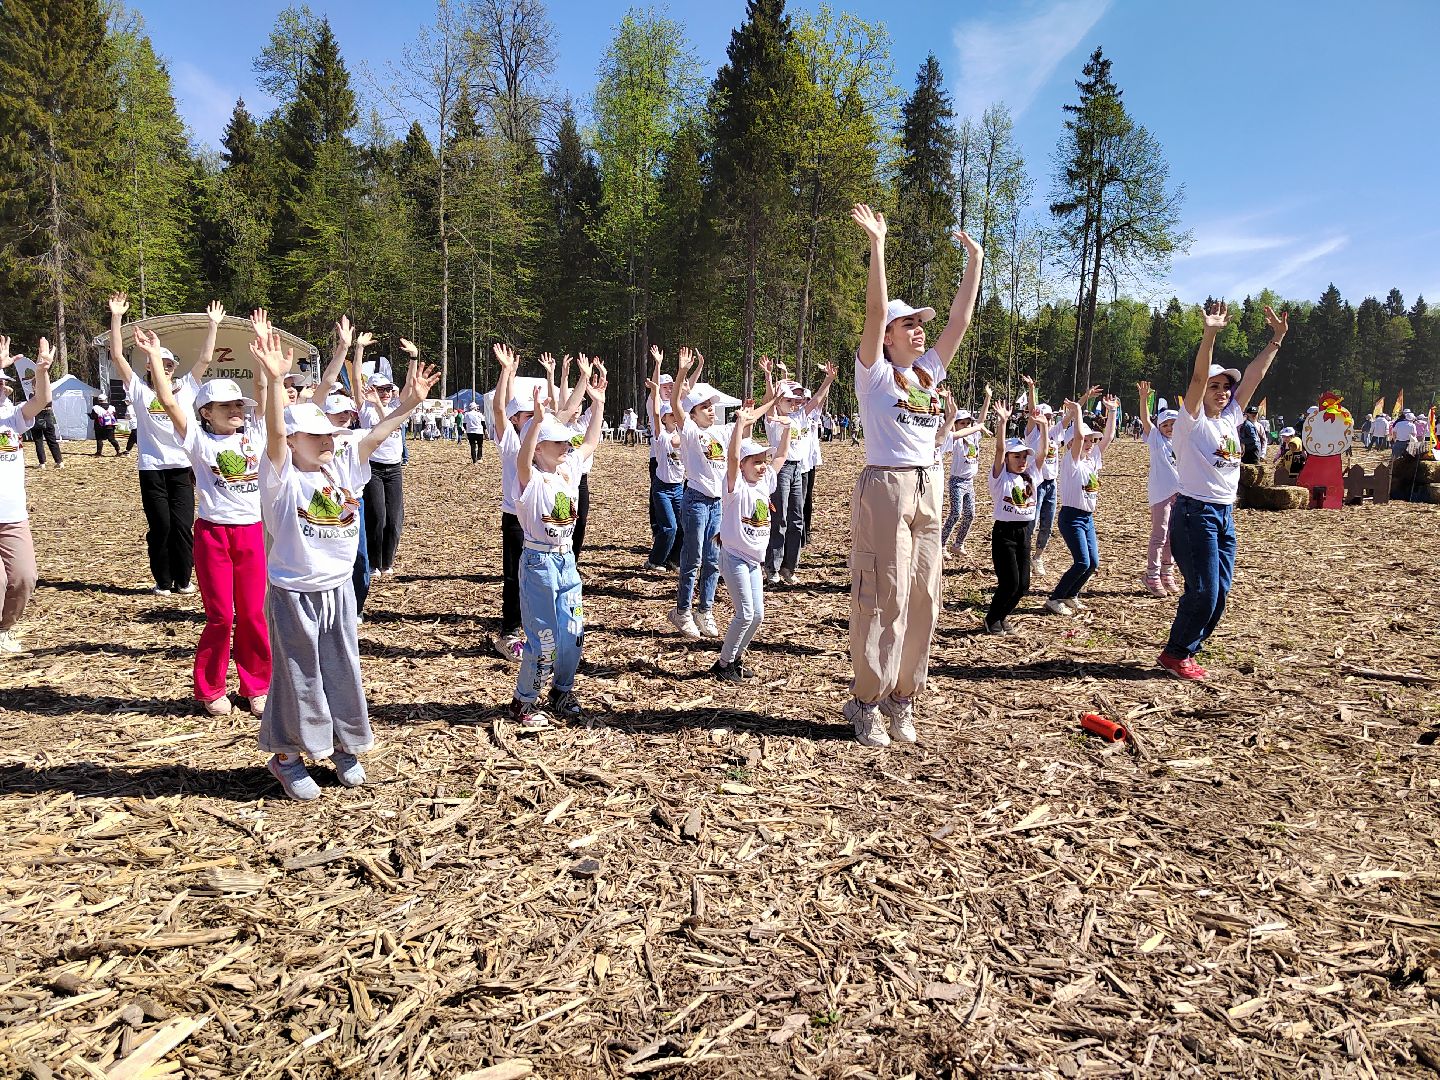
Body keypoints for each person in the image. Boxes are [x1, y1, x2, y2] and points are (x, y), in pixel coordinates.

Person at [252, 328, 438, 800]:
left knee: (342, 669)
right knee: (299, 677)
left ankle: (342, 745)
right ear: (294, 441)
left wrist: (408, 404)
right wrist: (275, 383)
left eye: (329, 433)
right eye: (316, 436)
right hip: (295, 591)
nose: (327, 441)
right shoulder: (281, 479)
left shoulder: (342, 466)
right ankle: (288, 757)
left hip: (338, 590)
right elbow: (274, 433)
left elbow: (375, 436)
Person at [844, 203, 983, 748]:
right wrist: (877, 245)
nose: (920, 331)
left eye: (919, 325)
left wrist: (974, 264)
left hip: (928, 485)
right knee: (885, 595)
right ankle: (866, 701)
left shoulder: (926, 374)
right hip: (885, 486)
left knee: (926, 595)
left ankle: (904, 698)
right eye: (909, 325)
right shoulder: (874, 375)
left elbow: (960, 322)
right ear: (889, 336)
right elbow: (874, 314)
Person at [136, 327, 271, 718]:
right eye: (226, 406)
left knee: (251, 614)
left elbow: (264, 394)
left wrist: (264, 362)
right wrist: (156, 358)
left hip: (250, 533)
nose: (236, 411)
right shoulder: (197, 441)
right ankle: (210, 688)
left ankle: (256, 685)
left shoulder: (256, 436)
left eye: (238, 406)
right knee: (220, 616)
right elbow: (166, 399)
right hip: (212, 535)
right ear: (205, 412)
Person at [1159, 300, 1287, 680]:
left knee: (1220, 594)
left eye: (1225, 387)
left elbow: (1253, 377)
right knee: (1204, 592)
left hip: (1223, 514)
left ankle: (1187, 650)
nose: (1222, 391)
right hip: (1195, 513)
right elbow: (1197, 380)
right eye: (1216, 386)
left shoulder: (1232, 417)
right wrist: (1210, 333)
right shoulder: (1190, 423)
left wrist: (1276, 340)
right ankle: (1176, 652)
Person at [108, 292, 223, 595]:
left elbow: (206, 359)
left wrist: (213, 325)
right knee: (161, 527)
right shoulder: (139, 390)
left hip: (182, 467)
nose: (167, 368)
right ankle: (163, 580)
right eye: (161, 363)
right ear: (150, 366)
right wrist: (117, 317)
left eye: (170, 364)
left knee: (183, 527)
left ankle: (184, 580)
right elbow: (118, 357)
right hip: (151, 468)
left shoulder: (186, 388)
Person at [509, 374, 606, 728]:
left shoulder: (569, 470)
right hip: (538, 562)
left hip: (566, 560)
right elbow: (523, 456)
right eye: (558, 442)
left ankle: (562, 690)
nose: (566, 447)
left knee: (572, 631)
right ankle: (524, 700)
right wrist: (535, 420)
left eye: (566, 442)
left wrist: (598, 404)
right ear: (538, 447)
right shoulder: (529, 478)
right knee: (543, 637)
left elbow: (591, 442)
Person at [713, 394, 789, 682]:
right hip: (733, 557)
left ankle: (735, 658)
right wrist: (739, 426)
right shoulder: (734, 488)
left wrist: (787, 429)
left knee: (757, 616)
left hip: (754, 562)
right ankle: (723, 664)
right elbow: (731, 457)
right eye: (755, 461)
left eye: (762, 461)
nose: (761, 466)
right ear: (743, 464)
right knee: (745, 614)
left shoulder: (765, 483)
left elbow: (781, 456)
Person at [667, 352, 738, 640]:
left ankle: (704, 610)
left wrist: (772, 394)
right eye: (705, 407)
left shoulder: (719, 433)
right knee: (693, 557)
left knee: (712, 559)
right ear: (693, 413)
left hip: (717, 504)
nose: (711, 410)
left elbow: (752, 419)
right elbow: (674, 403)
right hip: (695, 500)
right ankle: (682, 611)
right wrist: (682, 372)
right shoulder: (691, 432)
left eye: (711, 406)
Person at [0, 338, 53, 653]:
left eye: (4, 384)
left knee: (24, 577)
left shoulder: (13, 417)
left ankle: (3, 629)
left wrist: (42, 370)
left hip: (12, 516)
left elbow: (41, 400)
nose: (1, 388)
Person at [1044, 395, 1118, 615]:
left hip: (1087, 518)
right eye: (1085, 440)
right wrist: (1077, 414)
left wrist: (1112, 411)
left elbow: (1109, 437)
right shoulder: (1071, 461)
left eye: (1090, 441)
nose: (1088, 444)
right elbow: (1076, 437)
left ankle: (1071, 595)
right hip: (1071, 517)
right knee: (1082, 562)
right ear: (1071, 443)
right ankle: (1055, 598)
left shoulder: (1092, 458)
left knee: (1092, 563)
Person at [984, 402, 1046, 635]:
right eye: (1017, 457)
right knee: (1009, 582)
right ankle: (992, 619)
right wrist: (1002, 422)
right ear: (1008, 459)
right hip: (1004, 534)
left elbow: (1042, 454)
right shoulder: (1001, 479)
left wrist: (1045, 427)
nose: (1022, 461)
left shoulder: (1030, 477)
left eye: (1024, 457)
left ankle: (1002, 616)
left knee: (1023, 586)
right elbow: (999, 451)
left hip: (1024, 533)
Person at [490, 342, 534, 661]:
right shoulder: (510, 442)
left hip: (538, 518)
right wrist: (505, 373)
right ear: (517, 419)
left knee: (534, 573)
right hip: (514, 518)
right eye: (527, 415)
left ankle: (533, 623)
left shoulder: (543, 441)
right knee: (513, 575)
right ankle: (510, 631)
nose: (533, 419)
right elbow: (498, 409)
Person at [357, 361, 409, 577]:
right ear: (370, 390)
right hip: (374, 468)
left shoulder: (397, 407)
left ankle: (387, 562)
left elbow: (410, 390)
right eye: (381, 389)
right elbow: (354, 378)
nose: (386, 393)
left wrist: (413, 359)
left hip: (394, 468)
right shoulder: (365, 409)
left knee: (395, 518)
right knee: (377, 516)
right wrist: (356, 350)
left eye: (389, 389)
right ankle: (373, 561)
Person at [1136, 381, 1180, 596]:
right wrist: (1144, 399)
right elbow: (1145, 420)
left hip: (1179, 495)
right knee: (1160, 534)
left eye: (1174, 424)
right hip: (1161, 493)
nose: (1170, 428)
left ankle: (1167, 573)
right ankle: (1151, 574)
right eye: (1166, 425)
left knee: (1173, 535)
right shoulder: (1156, 440)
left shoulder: (1183, 442)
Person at [941, 385, 992, 561]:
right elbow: (950, 417)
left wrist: (987, 398)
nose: (966, 426)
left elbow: (982, 419)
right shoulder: (955, 439)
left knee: (970, 514)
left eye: (967, 423)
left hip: (969, 482)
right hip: (956, 481)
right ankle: (941, 544)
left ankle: (958, 544)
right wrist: (949, 402)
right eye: (962, 423)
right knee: (955, 513)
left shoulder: (974, 436)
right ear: (955, 425)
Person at [646, 356, 685, 571]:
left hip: (678, 488)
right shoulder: (660, 438)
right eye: (670, 415)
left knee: (682, 527)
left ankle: (674, 560)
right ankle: (654, 560)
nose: (675, 416)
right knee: (669, 527)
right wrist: (654, 389)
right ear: (663, 419)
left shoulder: (685, 435)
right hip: (662, 488)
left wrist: (688, 370)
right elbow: (654, 408)